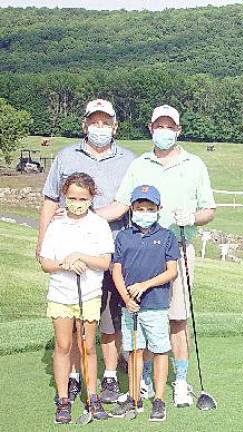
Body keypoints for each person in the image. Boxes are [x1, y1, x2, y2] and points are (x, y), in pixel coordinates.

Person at [96, 104, 216, 406]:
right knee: (144, 318)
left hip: (177, 250)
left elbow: (209, 211)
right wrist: (84, 216)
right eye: (158, 126)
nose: (164, 131)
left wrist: (193, 216)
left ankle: (180, 381)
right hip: (138, 251)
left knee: (176, 319)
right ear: (150, 129)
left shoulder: (195, 164)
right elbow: (121, 205)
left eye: (169, 126)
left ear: (178, 130)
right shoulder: (140, 165)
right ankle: (146, 380)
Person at [38, 99, 135, 403]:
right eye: (94, 121)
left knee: (107, 317)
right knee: (77, 321)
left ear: (115, 126)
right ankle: (75, 376)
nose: (100, 127)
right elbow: (51, 200)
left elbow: (126, 204)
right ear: (84, 124)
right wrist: (42, 244)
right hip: (67, 254)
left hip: (109, 250)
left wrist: (89, 216)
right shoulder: (66, 156)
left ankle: (107, 376)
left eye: (106, 122)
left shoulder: (129, 159)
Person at [38, 172, 113, 423]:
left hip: (89, 293)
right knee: (63, 346)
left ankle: (92, 396)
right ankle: (62, 400)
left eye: (82, 198)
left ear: (91, 198)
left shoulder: (98, 224)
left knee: (88, 347)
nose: (77, 202)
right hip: (61, 293)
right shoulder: (57, 225)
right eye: (72, 197)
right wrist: (65, 263)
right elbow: (46, 263)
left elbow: (104, 262)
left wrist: (80, 256)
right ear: (64, 197)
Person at [110, 185, 179, 422]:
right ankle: (133, 396)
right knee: (134, 351)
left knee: (159, 350)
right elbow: (116, 271)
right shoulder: (123, 236)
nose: (145, 212)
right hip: (130, 307)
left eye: (150, 208)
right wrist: (126, 298)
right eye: (140, 208)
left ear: (158, 209)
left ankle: (159, 400)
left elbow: (172, 272)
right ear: (132, 209)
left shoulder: (167, 236)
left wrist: (144, 285)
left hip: (156, 305)